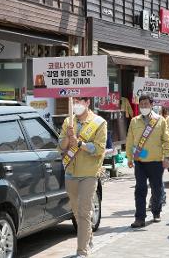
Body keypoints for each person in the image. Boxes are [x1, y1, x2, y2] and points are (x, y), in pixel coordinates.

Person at [59, 97, 107, 257]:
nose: (78, 105)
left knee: (84, 211)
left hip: (89, 173)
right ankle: (88, 236)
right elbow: (61, 146)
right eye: (76, 101)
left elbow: (99, 149)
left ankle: (82, 250)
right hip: (71, 172)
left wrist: (81, 144)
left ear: (87, 102)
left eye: (81, 101)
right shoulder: (68, 121)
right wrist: (68, 136)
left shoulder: (99, 122)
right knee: (76, 210)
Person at [126, 94, 169, 228]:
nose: (143, 106)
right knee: (140, 189)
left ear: (151, 105)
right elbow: (129, 140)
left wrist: (167, 157)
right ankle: (139, 218)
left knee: (157, 189)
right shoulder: (134, 121)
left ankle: (156, 211)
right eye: (141, 104)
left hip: (156, 161)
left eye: (146, 104)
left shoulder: (160, 121)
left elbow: (167, 140)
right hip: (139, 161)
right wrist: (129, 157)